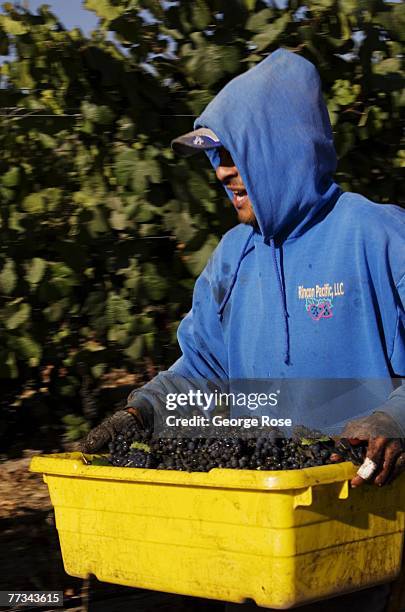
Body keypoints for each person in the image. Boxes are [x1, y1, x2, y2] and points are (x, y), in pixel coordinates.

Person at [81, 49, 404, 611]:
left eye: (237, 153)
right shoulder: (233, 258)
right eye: (217, 157)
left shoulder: (377, 237)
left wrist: (393, 419)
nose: (224, 171)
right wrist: (144, 411)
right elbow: (203, 368)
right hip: (258, 531)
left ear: (284, 147)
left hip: (362, 524)